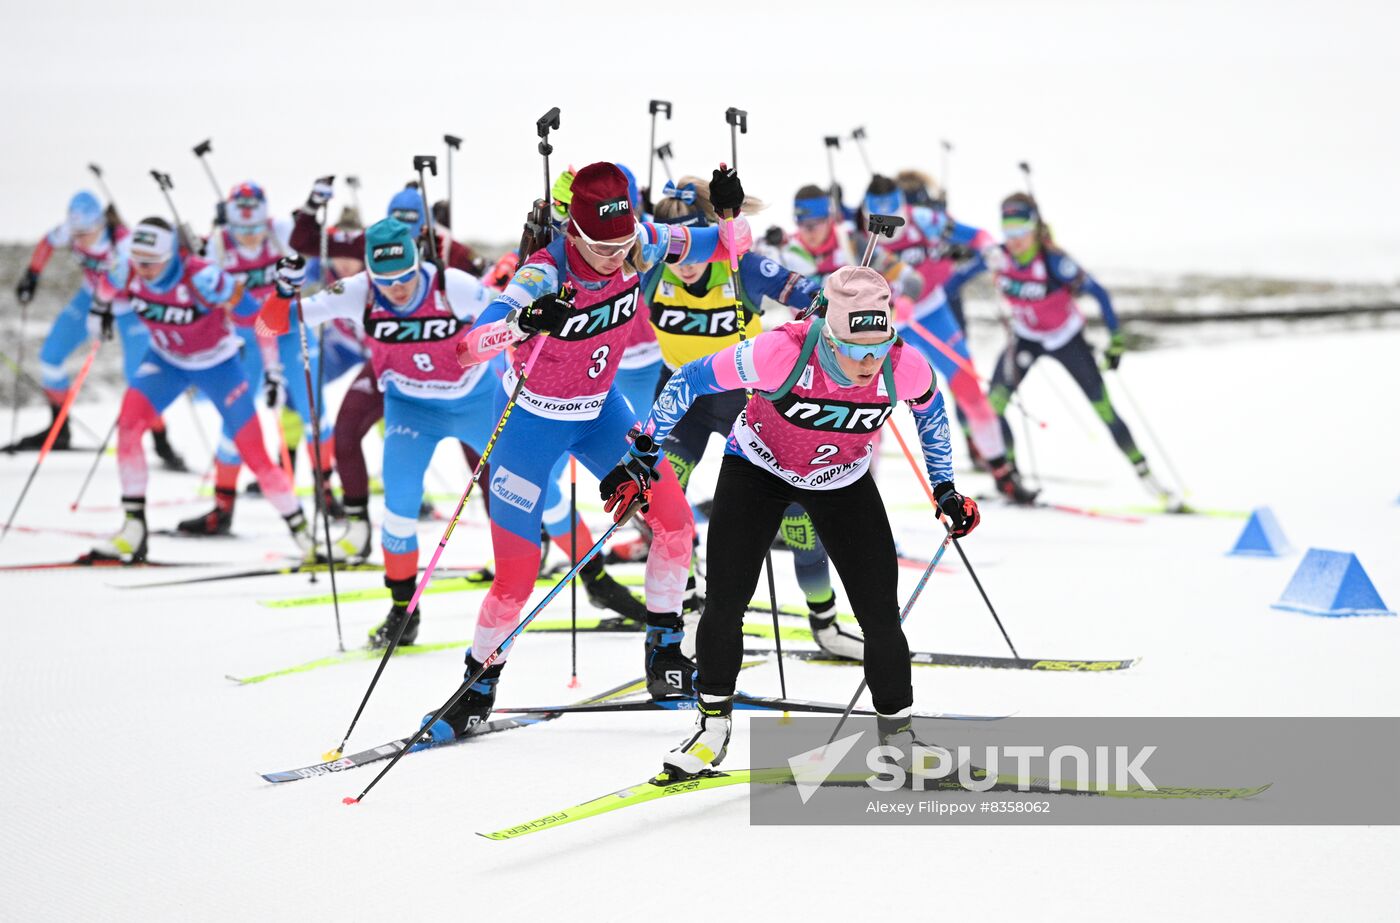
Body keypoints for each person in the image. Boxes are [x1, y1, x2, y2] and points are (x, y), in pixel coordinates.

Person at [421, 161, 750, 742]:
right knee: (516, 577)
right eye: (599, 246)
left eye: (621, 243)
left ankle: (665, 653)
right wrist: (521, 322)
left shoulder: (640, 245)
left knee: (675, 526)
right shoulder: (541, 273)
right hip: (529, 426)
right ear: (572, 232)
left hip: (603, 415)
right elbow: (468, 349)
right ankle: (476, 687)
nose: (611, 257)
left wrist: (728, 213)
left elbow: (724, 249)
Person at [605, 265, 979, 774]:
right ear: (831, 332)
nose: (870, 361)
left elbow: (931, 413)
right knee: (725, 603)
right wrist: (644, 453)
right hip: (757, 468)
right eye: (856, 348)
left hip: (842, 481)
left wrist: (945, 490)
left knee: (880, 618)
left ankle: (900, 734)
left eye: (879, 346)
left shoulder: (903, 364)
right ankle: (712, 728)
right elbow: (690, 379)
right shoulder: (781, 351)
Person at [259, 218, 639, 647]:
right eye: (387, 282)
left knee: (540, 495)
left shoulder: (449, 284)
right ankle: (403, 611)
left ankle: (597, 580)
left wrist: (532, 306)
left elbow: (506, 320)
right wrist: (282, 292)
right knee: (399, 508)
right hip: (410, 409)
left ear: (417, 263)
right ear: (369, 274)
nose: (399, 289)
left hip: (472, 402)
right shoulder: (356, 291)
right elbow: (271, 325)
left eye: (405, 277)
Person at [645, 174, 862, 659]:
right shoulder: (652, 271)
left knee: (799, 520)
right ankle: (687, 604)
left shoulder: (741, 268)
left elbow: (808, 295)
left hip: (747, 399)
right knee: (661, 500)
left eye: (693, 249)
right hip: (683, 399)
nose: (683, 265)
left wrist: (836, 309)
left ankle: (824, 620)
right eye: (674, 252)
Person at [85, 218, 317, 563]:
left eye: (152, 263)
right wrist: (98, 309)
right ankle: (133, 529)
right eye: (139, 262)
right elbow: (106, 285)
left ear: (173, 255)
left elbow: (261, 321)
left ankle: (304, 536)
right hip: (166, 361)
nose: (144, 271)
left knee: (255, 455)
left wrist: (272, 372)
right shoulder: (127, 268)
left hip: (218, 365)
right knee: (129, 426)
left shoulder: (205, 278)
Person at [945, 194, 1180, 509]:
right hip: (1025, 339)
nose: (1013, 240)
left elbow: (1100, 294)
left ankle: (1151, 480)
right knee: (993, 408)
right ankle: (1010, 479)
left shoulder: (1055, 261)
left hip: (1066, 340)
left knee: (1105, 410)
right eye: (1007, 231)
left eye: (1020, 231)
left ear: (1035, 227)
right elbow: (952, 282)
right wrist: (950, 260)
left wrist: (1116, 341)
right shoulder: (998, 257)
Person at [860, 175, 1036, 504]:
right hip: (890, 322)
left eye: (895, 215)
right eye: (879, 217)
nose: (889, 227)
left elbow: (978, 236)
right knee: (869, 403)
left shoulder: (925, 220)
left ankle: (1002, 472)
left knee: (969, 389)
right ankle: (859, 491)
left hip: (933, 313)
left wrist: (990, 252)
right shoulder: (858, 231)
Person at [182, 181, 338, 535]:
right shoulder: (218, 244)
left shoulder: (281, 231)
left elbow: (313, 246)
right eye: (241, 230)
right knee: (234, 422)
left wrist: (311, 217)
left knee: (315, 413)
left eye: (254, 229)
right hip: (246, 341)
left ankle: (326, 494)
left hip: (290, 334)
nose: (249, 237)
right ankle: (222, 507)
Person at [9, 191, 185, 469]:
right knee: (50, 356)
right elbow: (47, 242)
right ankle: (59, 430)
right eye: (76, 235)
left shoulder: (124, 244)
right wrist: (32, 274)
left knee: (138, 377)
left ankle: (162, 443)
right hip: (90, 296)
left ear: (101, 224)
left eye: (86, 234)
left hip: (129, 308)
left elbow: (139, 276)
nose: (79, 240)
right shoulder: (73, 228)